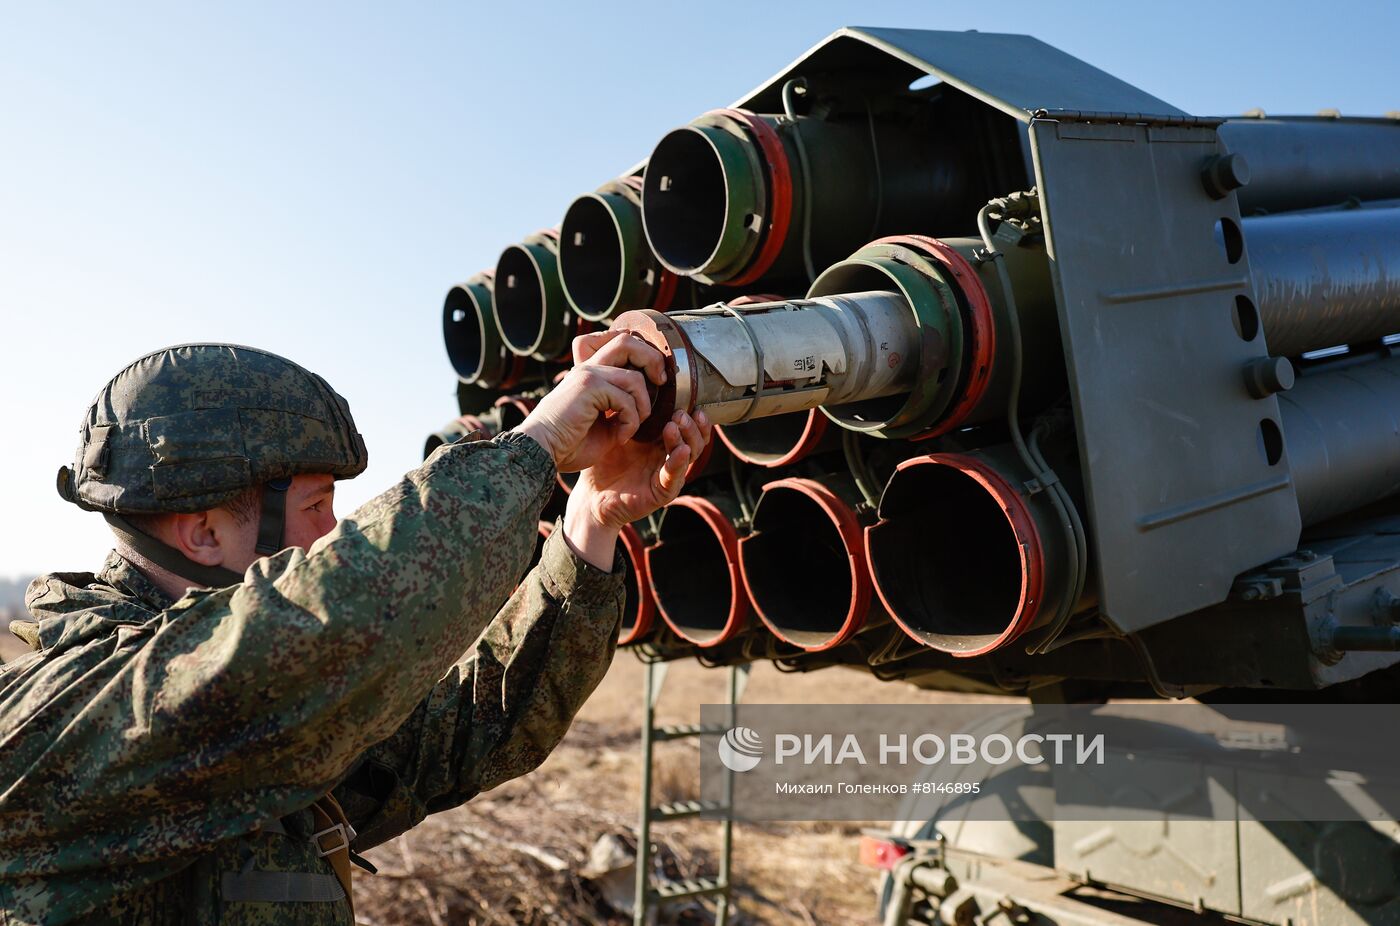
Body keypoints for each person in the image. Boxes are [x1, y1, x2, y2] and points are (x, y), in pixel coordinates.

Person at [0, 333, 710, 925]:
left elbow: (463, 735)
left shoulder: (275, 722)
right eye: (316, 506)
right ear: (206, 533)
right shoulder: (63, 717)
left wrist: (590, 519)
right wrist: (535, 447)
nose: (332, 532)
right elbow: (318, 629)